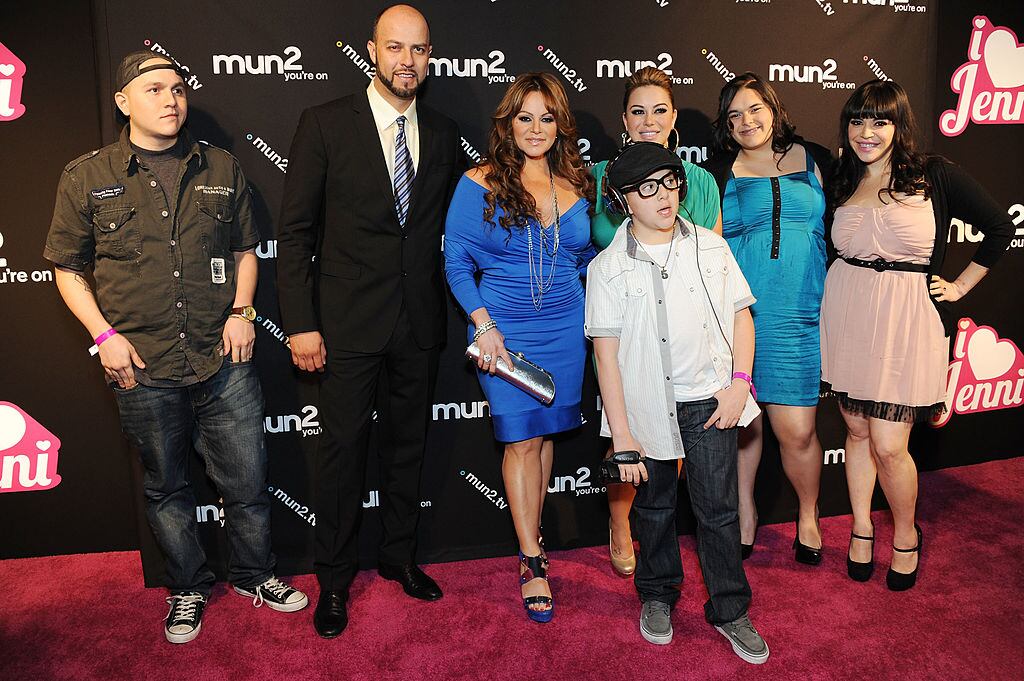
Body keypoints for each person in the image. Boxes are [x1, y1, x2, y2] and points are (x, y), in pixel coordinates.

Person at [43, 51, 306, 644]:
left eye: (179, 89)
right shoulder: (85, 176)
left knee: (248, 482)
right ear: (123, 102)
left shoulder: (221, 167)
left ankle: (256, 576)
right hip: (140, 364)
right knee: (166, 489)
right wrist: (103, 337)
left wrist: (243, 312)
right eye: (155, 88)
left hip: (223, 357)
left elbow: (244, 250)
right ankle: (187, 587)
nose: (171, 99)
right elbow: (67, 267)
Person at [276, 4, 465, 638]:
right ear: (372, 50)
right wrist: (300, 323)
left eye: (418, 50)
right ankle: (333, 581)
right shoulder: (325, 124)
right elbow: (296, 231)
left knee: (408, 451)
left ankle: (399, 558)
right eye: (395, 48)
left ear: (428, 57)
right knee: (342, 456)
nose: (407, 61)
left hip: (418, 324)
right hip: (347, 324)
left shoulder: (441, 131)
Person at [822, 80, 1013, 590]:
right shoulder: (840, 176)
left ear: (898, 124)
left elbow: (1000, 227)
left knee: (888, 443)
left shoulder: (934, 173)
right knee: (857, 433)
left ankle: (906, 534)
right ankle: (862, 528)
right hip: (847, 311)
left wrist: (960, 285)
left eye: (879, 121)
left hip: (906, 318)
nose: (867, 132)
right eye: (858, 120)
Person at [585, 141, 768, 663]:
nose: (664, 195)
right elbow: (606, 355)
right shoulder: (607, 267)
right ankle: (658, 595)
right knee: (655, 509)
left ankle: (730, 609)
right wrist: (621, 434)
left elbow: (741, 316)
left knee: (718, 511)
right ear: (623, 198)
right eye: (648, 187)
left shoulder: (712, 248)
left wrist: (740, 383)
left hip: (712, 401)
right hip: (646, 408)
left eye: (670, 182)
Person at [444, 72, 596, 623]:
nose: (536, 128)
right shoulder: (480, 182)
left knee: (545, 433)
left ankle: (533, 538)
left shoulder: (577, 182)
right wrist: (483, 326)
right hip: (502, 331)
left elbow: (583, 260)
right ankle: (531, 558)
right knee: (520, 441)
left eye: (547, 117)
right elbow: (456, 259)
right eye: (525, 117)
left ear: (561, 124)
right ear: (508, 123)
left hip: (565, 329)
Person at [590, 66, 722, 576]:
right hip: (622, 324)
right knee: (627, 430)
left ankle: (660, 529)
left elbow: (711, 263)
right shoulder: (600, 176)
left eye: (660, 110)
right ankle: (620, 522)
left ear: (673, 121)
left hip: (684, 330)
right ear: (624, 120)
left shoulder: (703, 182)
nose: (649, 120)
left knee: (679, 433)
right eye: (638, 111)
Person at [703, 72, 833, 563]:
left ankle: (808, 515)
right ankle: (746, 510)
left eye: (754, 109)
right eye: (734, 115)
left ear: (773, 108)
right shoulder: (720, 171)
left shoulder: (815, 158)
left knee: (796, 431)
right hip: (741, 316)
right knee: (742, 428)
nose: (746, 121)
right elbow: (710, 245)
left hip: (800, 314)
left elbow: (843, 228)